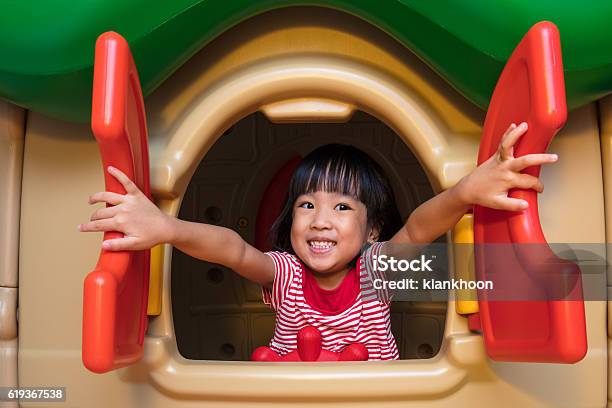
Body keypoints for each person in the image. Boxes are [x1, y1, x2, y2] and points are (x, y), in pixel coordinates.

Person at [78, 122, 556, 360]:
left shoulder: (376, 269)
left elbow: (417, 228)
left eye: (342, 206)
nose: (320, 220)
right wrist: (168, 229)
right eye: (307, 205)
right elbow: (232, 249)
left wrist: (463, 193)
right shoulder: (285, 273)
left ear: (371, 231)